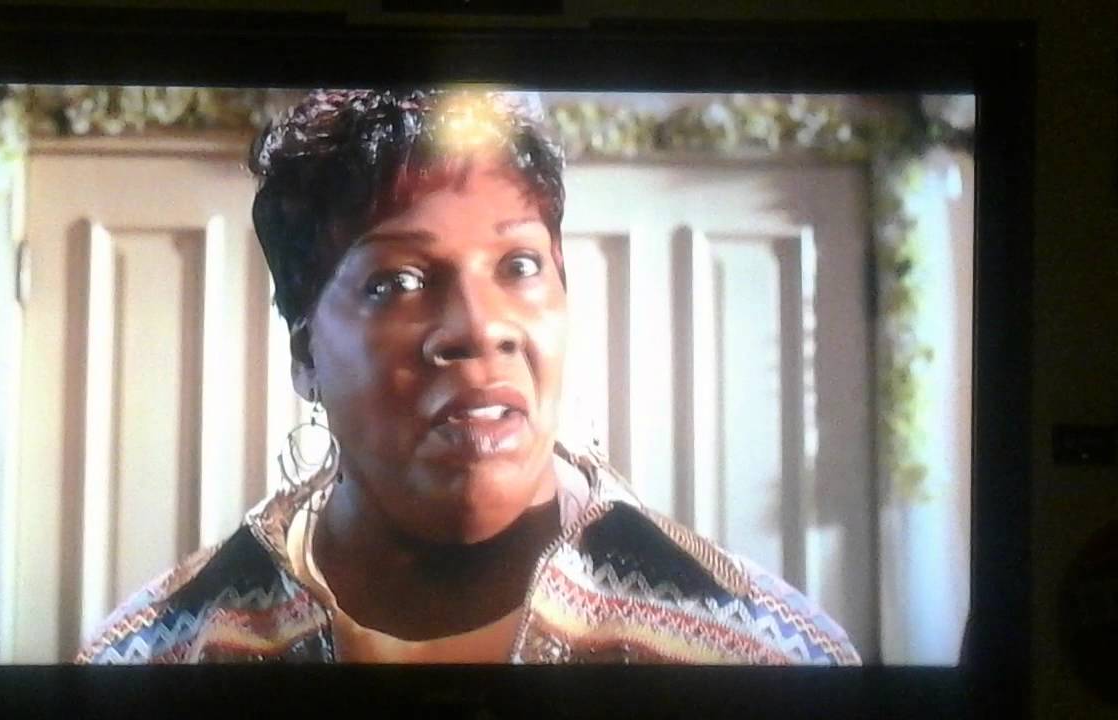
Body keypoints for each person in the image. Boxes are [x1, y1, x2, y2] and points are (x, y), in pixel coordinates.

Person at [77, 89, 860, 665]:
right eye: (396, 282)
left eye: (519, 266)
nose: (480, 328)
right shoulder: (156, 658)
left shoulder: (768, 653)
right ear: (306, 357)